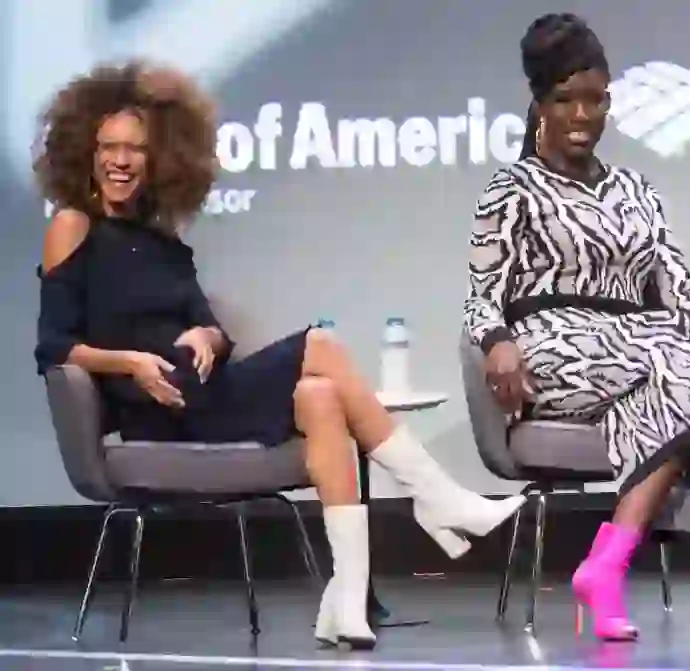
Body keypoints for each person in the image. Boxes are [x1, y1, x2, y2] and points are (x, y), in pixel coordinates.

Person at [33, 61, 524, 650]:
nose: (121, 160)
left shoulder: (163, 239)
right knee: (320, 344)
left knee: (320, 397)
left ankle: (347, 600)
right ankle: (438, 497)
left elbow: (212, 327)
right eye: (108, 146)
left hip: (206, 392)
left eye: (134, 149)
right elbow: (55, 346)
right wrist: (132, 362)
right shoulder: (72, 226)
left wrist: (206, 339)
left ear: (156, 157)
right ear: (85, 152)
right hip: (156, 406)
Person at [463, 13, 690, 642]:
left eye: (596, 100)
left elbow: (680, 289)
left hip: (642, 352)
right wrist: (496, 344)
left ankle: (605, 567)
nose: (582, 115)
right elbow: (482, 296)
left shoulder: (634, 188)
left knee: (686, 368)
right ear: (540, 104)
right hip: (549, 352)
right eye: (565, 99)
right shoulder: (512, 188)